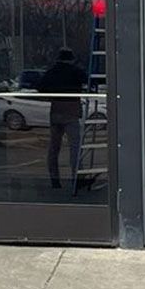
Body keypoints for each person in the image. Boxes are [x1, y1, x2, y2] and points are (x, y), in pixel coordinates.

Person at [38, 48, 88, 189]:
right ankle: (77, 179)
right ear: (71, 59)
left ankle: (54, 179)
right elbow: (87, 80)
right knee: (75, 147)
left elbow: (41, 87)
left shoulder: (52, 72)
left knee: (54, 147)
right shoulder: (75, 71)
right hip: (71, 110)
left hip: (56, 110)